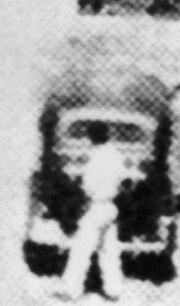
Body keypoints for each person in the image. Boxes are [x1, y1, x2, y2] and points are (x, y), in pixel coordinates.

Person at [57, 124, 129, 300]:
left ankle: (70, 290)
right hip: (111, 206)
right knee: (109, 250)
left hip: (96, 206)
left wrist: (83, 201)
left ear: (93, 137)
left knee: (81, 249)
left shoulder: (95, 157)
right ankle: (114, 290)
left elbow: (88, 185)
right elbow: (123, 180)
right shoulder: (115, 154)